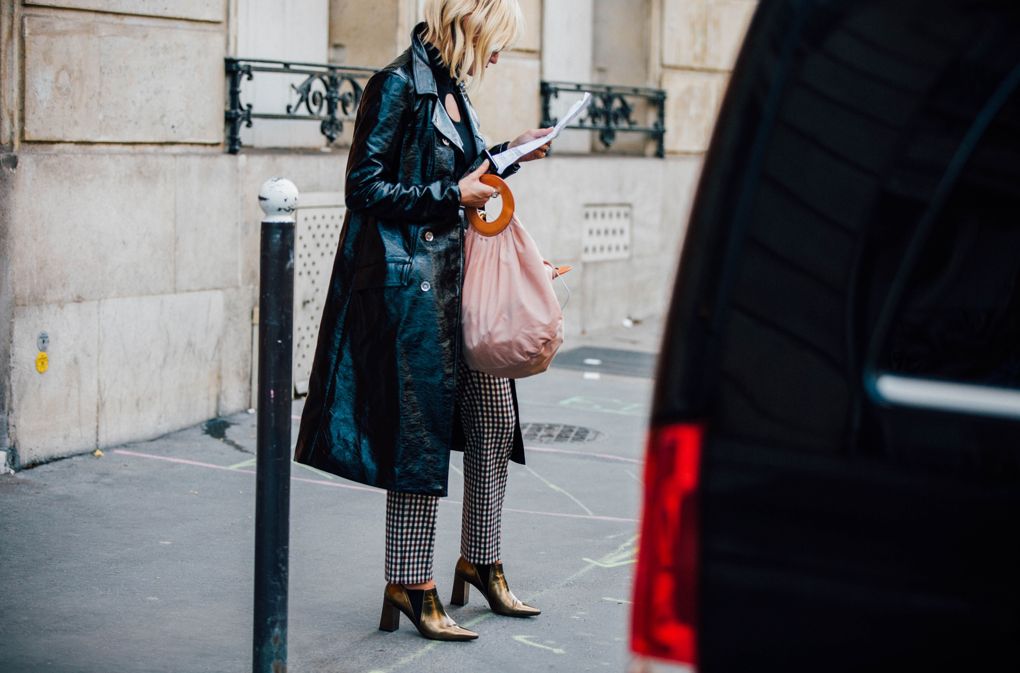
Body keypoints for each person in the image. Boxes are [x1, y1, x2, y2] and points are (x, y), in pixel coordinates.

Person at [294, 0, 553, 642]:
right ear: (470, 26)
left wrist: (507, 155)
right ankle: (410, 582)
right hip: (410, 291)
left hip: (460, 284)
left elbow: (457, 173)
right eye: (498, 41)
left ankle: (481, 560)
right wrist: (450, 195)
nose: (501, 56)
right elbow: (364, 186)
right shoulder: (398, 84)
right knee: (420, 435)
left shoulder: (453, 91)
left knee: (494, 421)